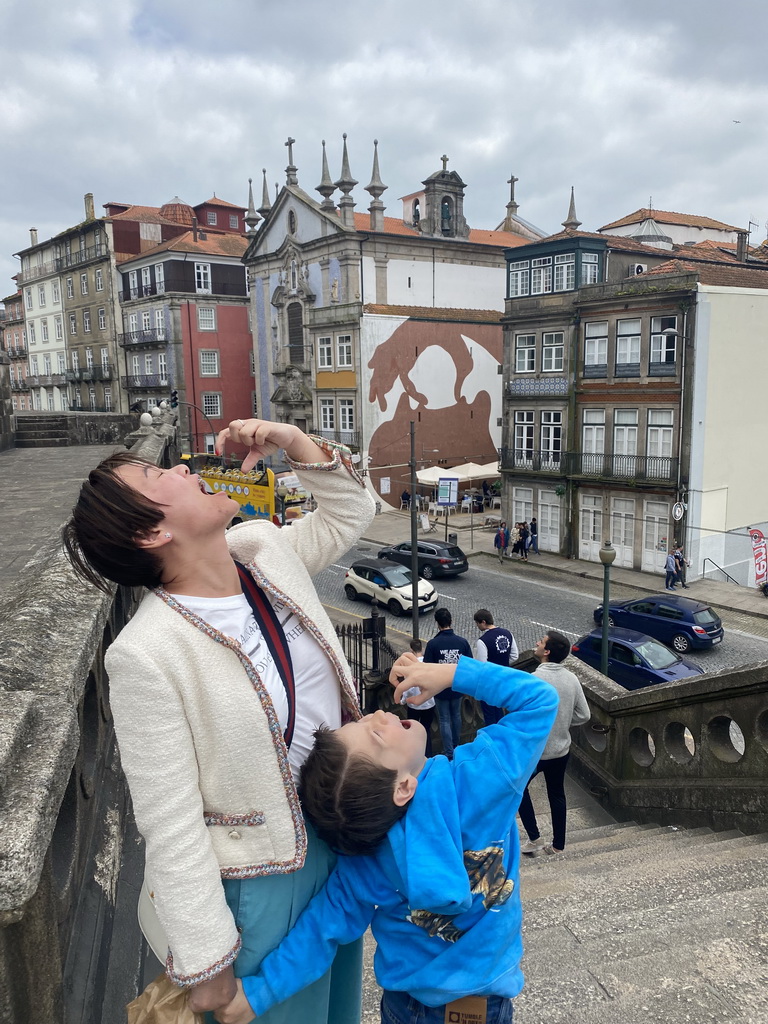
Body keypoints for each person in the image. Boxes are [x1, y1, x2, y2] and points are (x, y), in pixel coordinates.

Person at [61, 418, 376, 1023]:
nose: (184, 468)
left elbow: (350, 512)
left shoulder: (261, 551)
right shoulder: (145, 653)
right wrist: (207, 961)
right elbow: (169, 820)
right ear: (152, 530)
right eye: (160, 475)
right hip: (261, 883)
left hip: (333, 847)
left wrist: (292, 440)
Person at [214, 652, 559, 1024]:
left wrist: (259, 994)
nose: (376, 715)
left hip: (405, 1004)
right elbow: (540, 700)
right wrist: (453, 674)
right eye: (376, 733)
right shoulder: (481, 780)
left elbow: (320, 930)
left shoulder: (365, 855)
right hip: (483, 1003)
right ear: (403, 787)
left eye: (363, 721)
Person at [518, 631, 590, 856]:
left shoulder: (533, 680)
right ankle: (558, 845)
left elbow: (520, 713)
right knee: (557, 794)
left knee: (519, 789)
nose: (537, 643)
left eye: (541, 641)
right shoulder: (571, 679)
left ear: (546, 652)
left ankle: (535, 837)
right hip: (560, 749)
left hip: (535, 751)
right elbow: (585, 715)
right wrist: (563, 721)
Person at [423, 608, 473, 758]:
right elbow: (469, 664)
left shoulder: (433, 644)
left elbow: (427, 667)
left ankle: (449, 751)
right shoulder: (462, 642)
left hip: (440, 687)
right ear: (451, 621)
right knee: (456, 716)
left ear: (437, 623)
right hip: (457, 684)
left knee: (444, 719)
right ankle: (457, 746)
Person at [473, 609, 519, 726]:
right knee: (500, 710)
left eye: (477, 623)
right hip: (504, 679)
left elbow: (482, 665)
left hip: (489, 682)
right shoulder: (508, 633)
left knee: (489, 714)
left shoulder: (482, 641)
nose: (477, 626)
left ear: (483, 622)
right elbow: (514, 656)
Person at [403, 638, 435, 756]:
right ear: (422, 648)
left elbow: (408, 688)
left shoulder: (410, 666)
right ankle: (428, 754)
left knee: (413, 732)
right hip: (429, 703)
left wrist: (402, 700)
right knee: (426, 730)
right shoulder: (429, 664)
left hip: (414, 705)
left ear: (411, 650)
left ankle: (415, 755)